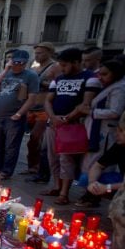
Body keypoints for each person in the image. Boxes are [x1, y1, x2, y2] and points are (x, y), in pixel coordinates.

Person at [43, 48, 100, 205]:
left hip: (73, 126)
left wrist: (67, 119)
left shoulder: (90, 78)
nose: (62, 68)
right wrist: (53, 117)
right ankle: (56, 186)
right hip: (54, 123)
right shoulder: (58, 79)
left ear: (76, 62)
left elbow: (85, 103)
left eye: (65, 65)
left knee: (67, 158)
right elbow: (48, 100)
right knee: (53, 157)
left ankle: (65, 193)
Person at [0, 49, 39, 180]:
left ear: (25, 63)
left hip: (14, 117)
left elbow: (32, 98)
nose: (17, 65)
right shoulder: (5, 73)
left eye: (21, 63)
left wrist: (19, 113)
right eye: (15, 62)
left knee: (11, 146)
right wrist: (5, 71)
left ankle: (6, 171)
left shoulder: (30, 76)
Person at [82, 59, 125, 170]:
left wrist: (90, 112)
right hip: (100, 130)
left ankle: (99, 186)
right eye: (99, 74)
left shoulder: (120, 88)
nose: (100, 77)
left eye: (104, 74)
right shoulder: (112, 85)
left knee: (100, 165)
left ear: (115, 73)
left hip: (107, 133)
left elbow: (115, 112)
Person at [23, 42, 60, 180]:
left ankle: (40, 170)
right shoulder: (35, 65)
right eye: (36, 53)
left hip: (44, 109)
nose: (37, 55)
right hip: (32, 107)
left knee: (37, 138)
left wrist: (40, 83)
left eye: (40, 53)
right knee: (31, 141)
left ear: (49, 52)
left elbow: (58, 85)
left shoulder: (55, 67)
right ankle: (31, 166)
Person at [75, 125, 125, 207]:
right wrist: (92, 183)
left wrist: (107, 187)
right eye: (117, 130)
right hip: (123, 180)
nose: (116, 134)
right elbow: (98, 166)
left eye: (121, 131)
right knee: (85, 178)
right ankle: (92, 198)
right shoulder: (120, 146)